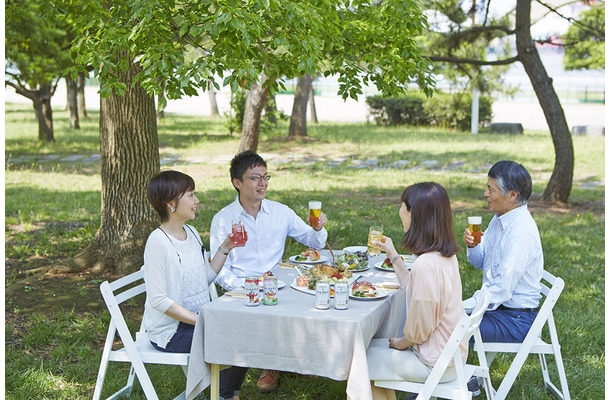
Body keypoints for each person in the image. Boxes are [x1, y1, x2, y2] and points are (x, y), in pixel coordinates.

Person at [210, 150, 328, 398]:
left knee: (316, 295)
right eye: (255, 178)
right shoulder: (223, 220)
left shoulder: (280, 212)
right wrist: (245, 288)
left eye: (265, 177)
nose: (262, 183)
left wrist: (317, 228)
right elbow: (221, 271)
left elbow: (313, 242)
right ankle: (234, 385)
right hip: (243, 289)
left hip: (278, 286)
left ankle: (288, 360)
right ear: (237, 183)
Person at [366, 182, 465, 400]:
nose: (400, 211)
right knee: (372, 352)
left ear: (414, 214)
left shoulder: (426, 264)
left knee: (362, 360)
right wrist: (393, 254)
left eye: (403, 206)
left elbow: (418, 332)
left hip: (433, 362)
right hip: (450, 356)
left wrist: (398, 343)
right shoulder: (444, 255)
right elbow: (414, 287)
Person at [142, 170, 244, 355]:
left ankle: (225, 385)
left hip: (197, 320)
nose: (196, 200)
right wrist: (201, 320)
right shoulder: (158, 242)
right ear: (171, 204)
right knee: (232, 338)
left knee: (242, 327)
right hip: (172, 331)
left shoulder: (192, 232)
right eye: (190, 195)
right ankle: (222, 385)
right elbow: (158, 300)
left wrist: (226, 248)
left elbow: (203, 279)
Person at [462, 160, 543, 344]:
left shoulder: (520, 232)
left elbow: (500, 290)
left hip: (516, 321)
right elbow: (480, 262)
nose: (485, 194)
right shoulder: (500, 219)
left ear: (512, 195)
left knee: (447, 328)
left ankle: (456, 373)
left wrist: (460, 307)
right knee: (441, 322)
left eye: (491, 190)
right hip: (498, 311)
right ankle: (456, 372)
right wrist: (474, 246)